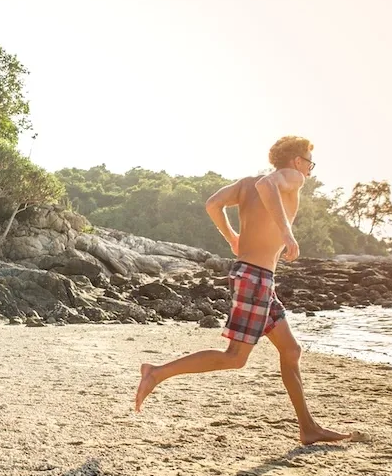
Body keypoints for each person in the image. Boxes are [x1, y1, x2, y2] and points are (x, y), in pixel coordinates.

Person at [134, 136, 352, 445]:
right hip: (255, 278)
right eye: (309, 163)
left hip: (256, 278)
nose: (309, 170)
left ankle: (308, 428)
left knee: (291, 351)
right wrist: (287, 233)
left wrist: (232, 237)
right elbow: (267, 185)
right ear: (296, 161)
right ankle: (156, 373)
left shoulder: (246, 184)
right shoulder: (292, 178)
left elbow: (213, 204)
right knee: (235, 357)